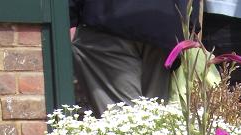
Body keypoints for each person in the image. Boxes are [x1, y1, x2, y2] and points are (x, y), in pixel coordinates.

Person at [69, 0, 201, 116]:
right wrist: (190, 25)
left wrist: (69, 17)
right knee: (152, 118)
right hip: (166, 24)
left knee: (124, 122)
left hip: (109, 20)